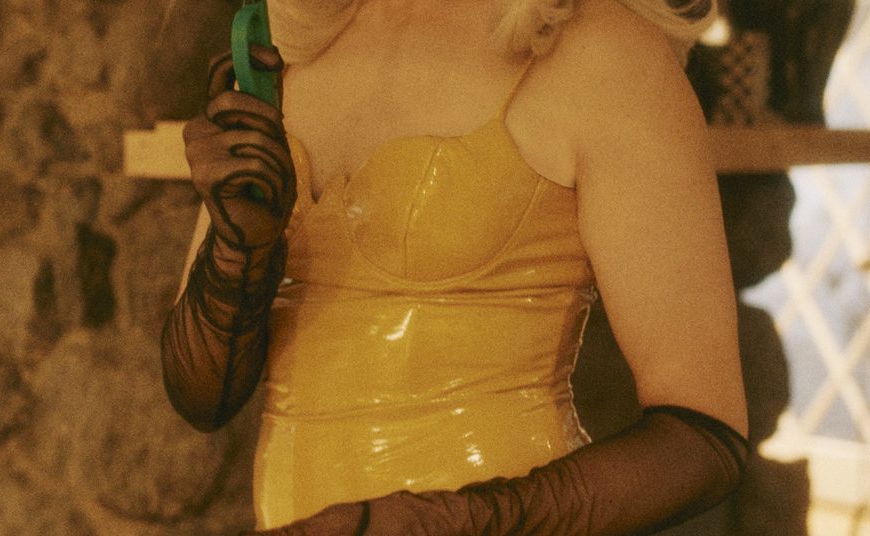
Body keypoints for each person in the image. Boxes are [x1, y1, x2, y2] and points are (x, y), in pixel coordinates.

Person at [161, 0, 749, 533]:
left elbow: (705, 441)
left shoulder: (605, 49)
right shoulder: (288, 39)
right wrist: (237, 255)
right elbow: (203, 398)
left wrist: (441, 522)